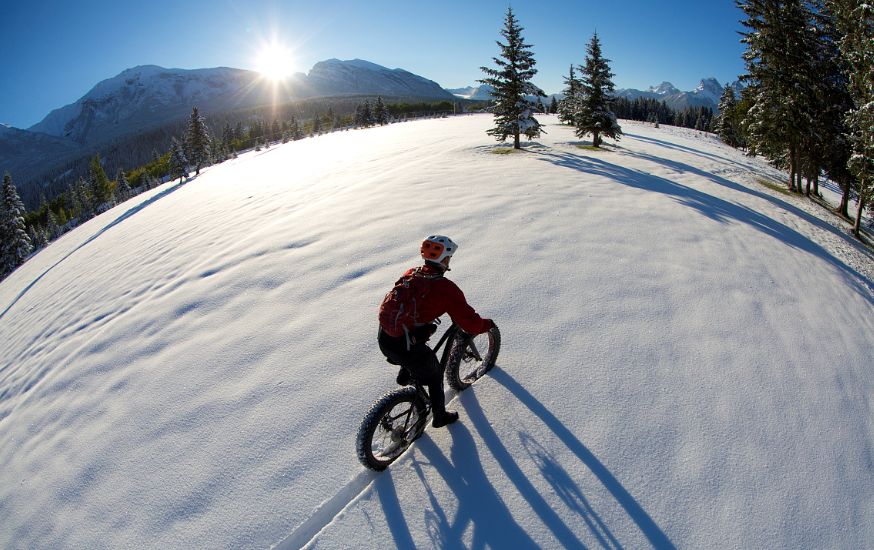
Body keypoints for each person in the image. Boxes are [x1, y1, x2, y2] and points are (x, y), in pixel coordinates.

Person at [378, 235, 495, 428]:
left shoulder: (412, 273)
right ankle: (440, 417)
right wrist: (486, 325)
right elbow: (470, 323)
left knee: (417, 350)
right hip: (404, 344)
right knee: (434, 375)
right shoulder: (446, 289)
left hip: (385, 337)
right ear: (445, 260)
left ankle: (407, 374)